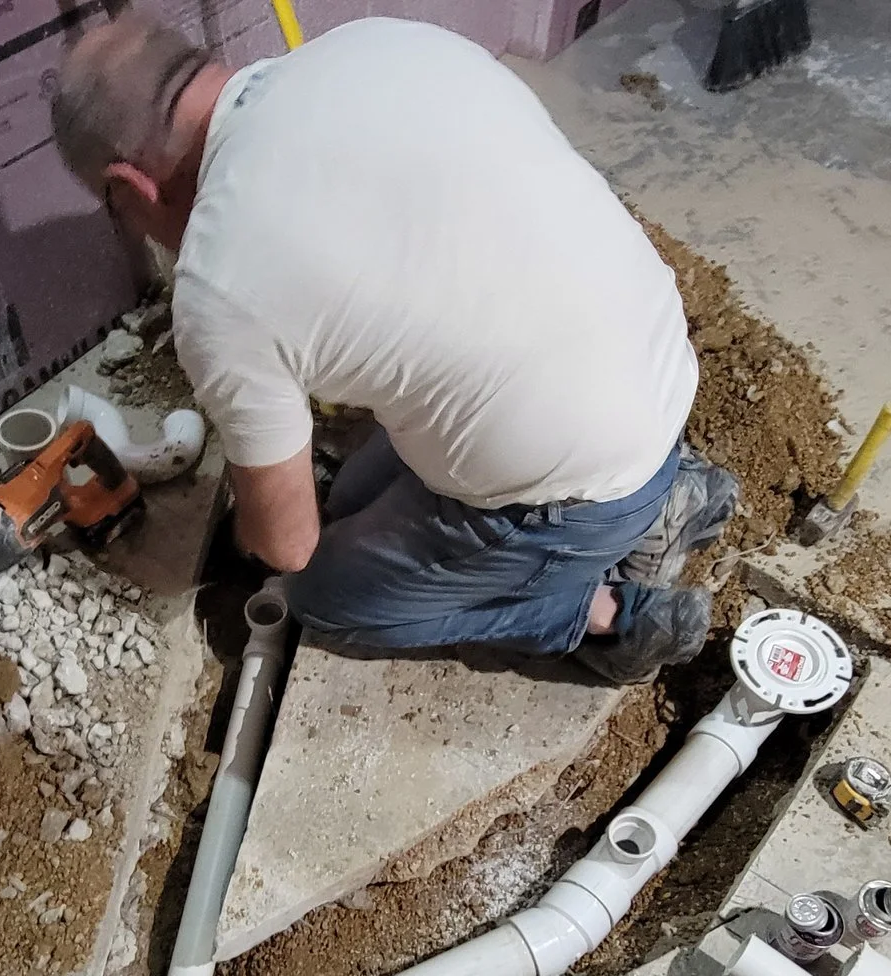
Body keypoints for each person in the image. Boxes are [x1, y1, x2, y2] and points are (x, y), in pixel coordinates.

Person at [51, 11, 738, 682]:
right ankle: (673, 493)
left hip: (576, 489)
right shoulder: (376, 42)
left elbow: (285, 545)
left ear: (129, 187)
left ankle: (606, 612)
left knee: (324, 596)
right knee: (348, 492)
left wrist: (248, 535)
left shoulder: (219, 283)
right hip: (656, 370)